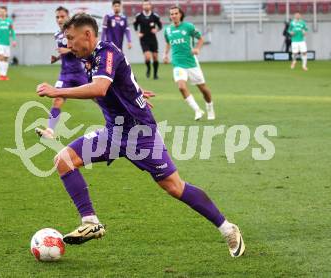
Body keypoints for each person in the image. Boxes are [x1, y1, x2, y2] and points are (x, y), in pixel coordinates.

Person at [36, 13, 245, 258]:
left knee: (174, 187)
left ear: (87, 35)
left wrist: (57, 91)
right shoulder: (89, 58)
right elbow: (116, 81)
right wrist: (132, 90)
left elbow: (100, 88)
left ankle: (228, 229)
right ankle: (90, 221)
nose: (68, 44)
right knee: (64, 160)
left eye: (71, 38)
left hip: (139, 133)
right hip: (114, 131)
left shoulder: (106, 52)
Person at [35, 6, 89, 139]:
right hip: (65, 74)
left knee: (100, 98)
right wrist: (57, 58)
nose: (59, 19)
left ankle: (118, 123)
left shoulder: (75, 32)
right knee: (57, 100)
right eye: (57, 17)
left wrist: (68, 51)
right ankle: (50, 131)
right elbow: (63, 52)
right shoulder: (57, 35)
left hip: (79, 73)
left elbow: (83, 48)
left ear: (68, 17)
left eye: (62, 16)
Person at [163, 6, 215, 121]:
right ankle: (197, 110)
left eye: (176, 13)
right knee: (181, 87)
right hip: (177, 62)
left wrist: (197, 49)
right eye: (171, 14)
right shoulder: (167, 30)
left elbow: (201, 39)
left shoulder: (188, 27)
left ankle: (210, 107)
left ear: (180, 14)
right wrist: (165, 55)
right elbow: (168, 42)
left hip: (191, 62)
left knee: (203, 89)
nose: (174, 16)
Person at [133, 0, 162, 79]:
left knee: (155, 57)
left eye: (147, 5)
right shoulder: (139, 16)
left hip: (153, 39)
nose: (146, 6)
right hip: (144, 39)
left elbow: (160, 25)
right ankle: (148, 68)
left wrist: (156, 30)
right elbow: (135, 24)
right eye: (144, 5)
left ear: (150, 6)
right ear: (142, 6)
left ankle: (155, 74)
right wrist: (137, 32)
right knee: (148, 57)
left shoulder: (155, 16)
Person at [0, 7, 17, 81]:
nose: (1, 13)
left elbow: (13, 31)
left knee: (5, 59)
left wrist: (14, 40)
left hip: (7, 43)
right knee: (0, 57)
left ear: (6, 12)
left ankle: (4, 75)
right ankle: (1, 75)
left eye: (3, 11)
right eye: (0, 11)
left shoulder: (9, 21)